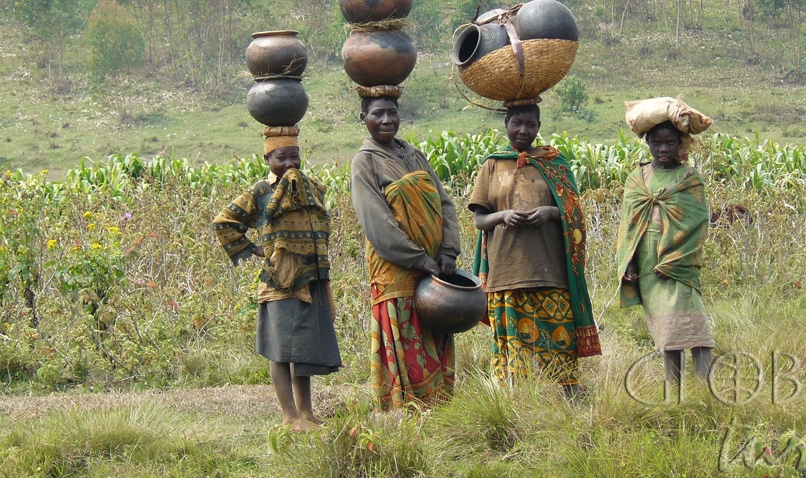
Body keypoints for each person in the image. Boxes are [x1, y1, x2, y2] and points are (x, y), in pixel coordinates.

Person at [213, 125, 340, 432]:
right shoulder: (261, 192)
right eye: (281, 157)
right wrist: (254, 249)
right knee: (281, 351)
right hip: (280, 282)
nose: (289, 163)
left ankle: (306, 413)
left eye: (294, 156)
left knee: (303, 350)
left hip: (313, 279)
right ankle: (289, 416)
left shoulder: (310, 188)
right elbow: (224, 221)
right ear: (267, 159)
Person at [468, 103, 601, 396]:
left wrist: (551, 212)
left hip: (550, 271)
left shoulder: (555, 164)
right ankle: (517, 406)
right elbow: (479, 220)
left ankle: (570, 399)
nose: (523, 130)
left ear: (539, 127)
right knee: (513, 351)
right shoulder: (492, 165)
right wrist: (503, 216)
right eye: (517, 123)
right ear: (506, 124)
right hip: (506, 272)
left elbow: (574, 212)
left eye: (531, 124)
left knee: (560, 342)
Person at [350, 93, 461, 410]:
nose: (386, 120)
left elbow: (444, 204)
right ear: (364, 118)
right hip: (397, 268)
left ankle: (439, 407)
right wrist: (418, 259)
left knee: (435, 329)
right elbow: (377, 222)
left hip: (436, 267)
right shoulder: (365, 162)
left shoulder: (414, 155)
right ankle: (407, 409)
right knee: (404, 333)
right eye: (377, 114)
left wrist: (448, 251)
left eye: (392, 113)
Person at [616, 97, 715, 384]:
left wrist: (674, 258)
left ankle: (706, 388)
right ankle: (674, 391)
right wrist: (629, 263)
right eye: (657, 142)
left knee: (696, 326)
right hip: (649, 266)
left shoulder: (688, 178)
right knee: (667, 332)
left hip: (679, 265)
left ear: (681, 143)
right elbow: (628, 227)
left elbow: (697, 223)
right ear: (647, 142)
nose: (663, 149)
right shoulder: (638, 179)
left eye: (670, 142)